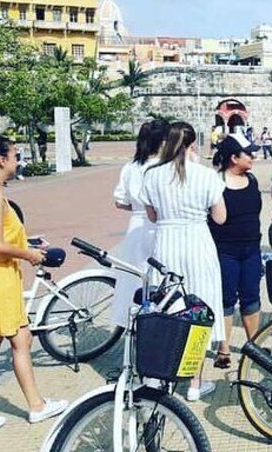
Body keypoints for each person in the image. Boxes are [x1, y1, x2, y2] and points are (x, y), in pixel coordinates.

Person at [141, 122, 227, 402]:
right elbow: (220, 218)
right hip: (198, 243)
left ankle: (158, 377)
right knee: (198, 310)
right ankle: (195, 383)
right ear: (192, 145)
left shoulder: (152, 174)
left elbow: (152, 216)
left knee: (166, 309)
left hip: (166, 243)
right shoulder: (206, 175)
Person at [0, 135, 68, 426]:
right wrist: (28, 254)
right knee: (12, 340)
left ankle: (37, 404)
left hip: (5, 277)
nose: (17, 160)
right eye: (14, 155)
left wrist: (29, 243)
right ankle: (36, 405)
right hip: (0, 279)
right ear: (1, 160)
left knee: (20, 338)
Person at [209, 134, 263, 370]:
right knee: (226, 300)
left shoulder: (251, 179)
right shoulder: (216, 182)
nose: (252, 157)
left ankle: (255, 345)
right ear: (233, 158)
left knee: (251, 298)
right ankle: (223, 348)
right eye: (247, 153)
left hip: (251, 248)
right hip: (225, 251)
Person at [111, 119, 169, 328]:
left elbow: (120, 202)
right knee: (158, 278)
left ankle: (130, 323)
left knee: (133, 278)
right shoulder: (164, 167)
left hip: (135, 227)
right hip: (159, 225)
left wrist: (137, 209)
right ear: (163, 141)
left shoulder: (130, 167)